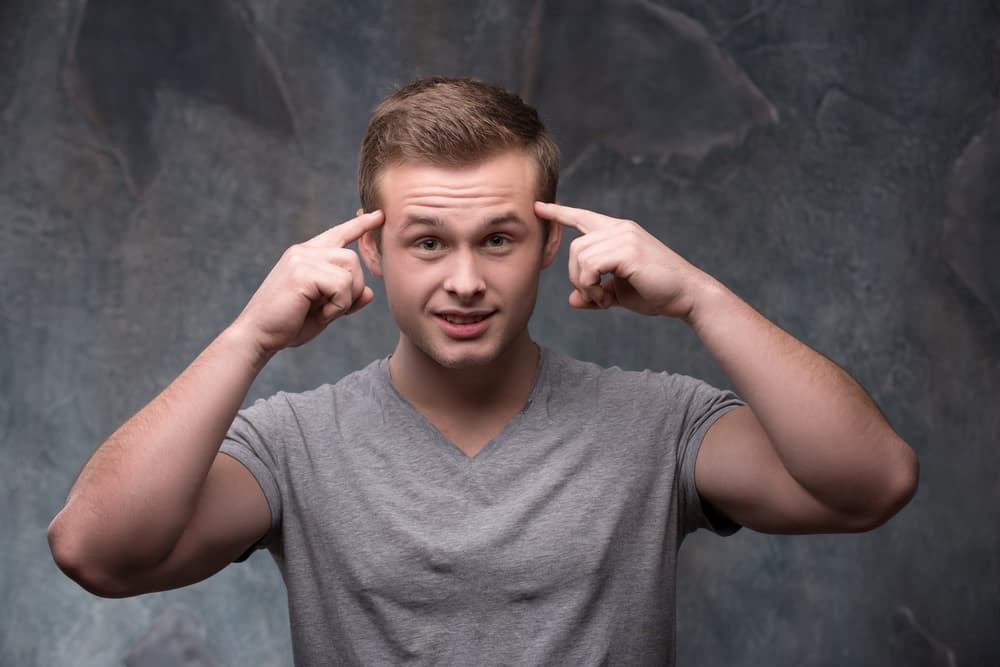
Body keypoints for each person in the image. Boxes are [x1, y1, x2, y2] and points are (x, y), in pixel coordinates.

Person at [48, 77, 918, 665]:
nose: (464, 279)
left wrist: (700, 297)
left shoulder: (659, 426)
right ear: (372, 248)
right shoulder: (292, 445)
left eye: (497, 238)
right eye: (428, 241)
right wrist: (249, 338)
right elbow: (94, 550)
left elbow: (872, 482)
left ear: (548, 242)